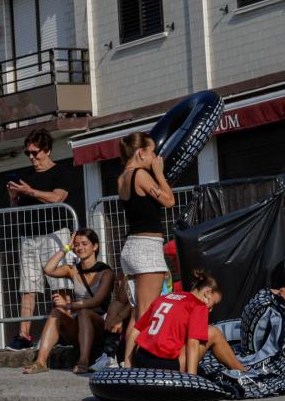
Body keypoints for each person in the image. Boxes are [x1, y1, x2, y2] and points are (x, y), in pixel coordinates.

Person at [5, 129, 74, 350]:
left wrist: (31, 191)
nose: (32, 158)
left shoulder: (60, 171)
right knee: (28, 287)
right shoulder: (27, 177)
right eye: (28, 154)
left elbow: (58, 197)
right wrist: (14, 197)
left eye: (35, 153)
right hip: (29, 235)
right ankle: (24, 335)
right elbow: (16, 210)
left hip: (53, 234)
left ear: (47, 151)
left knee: (60, 286)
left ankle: (66, 331)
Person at [24, 229, 114, 376]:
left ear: (95, 247)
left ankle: (83, 361)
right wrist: (66, 247)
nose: (80, 248)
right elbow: (48, 269)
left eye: (85, 244)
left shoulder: (105, 272)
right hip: (79, 326)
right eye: (77, 245)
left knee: (84, 312)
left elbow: (96, 301)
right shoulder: (73, 270)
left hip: (100, 325)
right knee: (56, 312)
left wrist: (69, 306)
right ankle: (40, 362)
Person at [116, 132, 176, 316]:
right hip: (146, 248)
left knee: (139, 313)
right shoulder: (140, 174)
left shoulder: (122, 177)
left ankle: (133, 346)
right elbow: (169, 201)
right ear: (141, 153)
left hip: (132, 247)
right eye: (152, 152)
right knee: (148, 311)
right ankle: (144, 346)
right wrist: (159, 174)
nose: (155, 157)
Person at [129, 271, 222, 374]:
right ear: (207, 292)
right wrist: (193, 380)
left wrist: (129, 367)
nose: (211, 310)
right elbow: (193, 344)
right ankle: (241, 372)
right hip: (164, 366)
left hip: (141, 359)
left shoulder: (166, 297)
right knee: (213, 332)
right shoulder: (198, 305)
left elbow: (136, 330)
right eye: (214, 304)